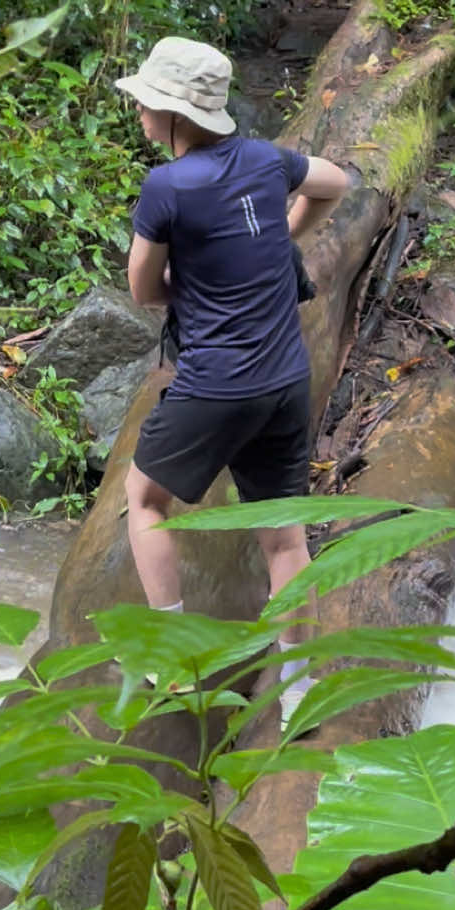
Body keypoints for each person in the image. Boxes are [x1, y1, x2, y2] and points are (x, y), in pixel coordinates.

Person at [114, 36, 349, 727]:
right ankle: (301, 686)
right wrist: (286, 235)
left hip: (217, 384)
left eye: (147, 102)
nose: (139, 111)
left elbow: (140, 288)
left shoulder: (166, 187)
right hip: (284, 380)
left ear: (176, 114)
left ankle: (173, 654)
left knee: (145, 499)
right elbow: (333, 182)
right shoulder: (264, 159)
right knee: (283, 535)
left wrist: (184, 288)